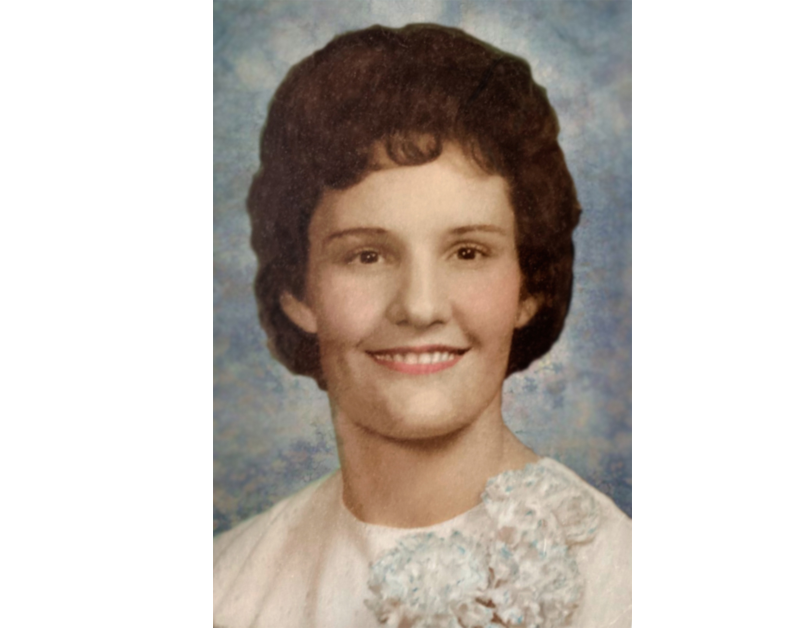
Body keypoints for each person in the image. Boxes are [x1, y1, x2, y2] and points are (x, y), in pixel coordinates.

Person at [213, 24, 632, 628]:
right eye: (367, 255)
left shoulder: (613, 581)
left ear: (528, 286)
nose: (419, 307)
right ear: (299, 290)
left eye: (468, 252)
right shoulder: (230, 583)